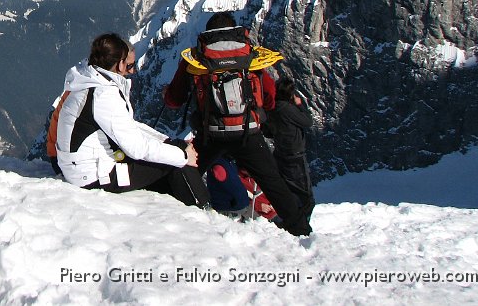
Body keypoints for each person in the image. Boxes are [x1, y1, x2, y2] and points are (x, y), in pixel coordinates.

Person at [163, 12, 312, 236]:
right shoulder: (249, 56)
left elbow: (174, 99)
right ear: (234, 30)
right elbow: (269, 96)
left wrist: (169, 93)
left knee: (187, 168)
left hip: (210, 133)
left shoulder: (196, 58)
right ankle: (300, 229)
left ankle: (170, 214)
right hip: (247, 133)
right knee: (273, 181)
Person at [54, 33, 210, 207]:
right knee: (176, 161)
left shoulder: (90, 82)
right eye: (130, 65)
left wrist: (167, 142)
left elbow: (129, 126)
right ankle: (202, 208)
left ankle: (187, 202)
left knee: (173, 152)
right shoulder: (104, 94)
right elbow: (136, 148)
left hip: (82, 168)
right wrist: (182, 155)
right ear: (120, 64)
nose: (133, 71)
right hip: (95, 176)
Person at [266, 77, 316, 224]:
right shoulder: (287, 109)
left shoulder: (273, 109)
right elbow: (307, 122)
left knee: (288, 192)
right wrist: (300, 106)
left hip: (280, 154)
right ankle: (301, 225)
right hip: (295, 157)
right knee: (306, 197)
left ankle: (289, 220)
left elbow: (268, 131)